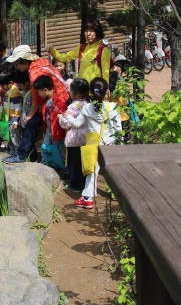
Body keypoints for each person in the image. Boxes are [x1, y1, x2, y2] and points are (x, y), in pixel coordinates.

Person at [60, 77, 122, 209]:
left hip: (94, 144)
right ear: (107, 92)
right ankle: (115, 193)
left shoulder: (88, 108)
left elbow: (77, 123)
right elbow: (118, 129)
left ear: (91, 92)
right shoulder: (113, 107)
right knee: (111, 170)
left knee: (92, 170)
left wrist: (68, 116)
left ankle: (87, 198)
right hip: (111, 143)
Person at [3, 45, 69, 164]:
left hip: (57, 103)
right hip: (59, 99)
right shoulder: (41, 61)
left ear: (24, 62)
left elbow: (37, 98)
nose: (16, 67)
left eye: (17, 64)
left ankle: (22, 155)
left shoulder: (34, 73)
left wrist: (30, 115)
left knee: (33, 125)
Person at [59, 78, 90, 192]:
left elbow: (66, 124)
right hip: (86, 138)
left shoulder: (73, 106)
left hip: (75, 139)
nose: (69, 92)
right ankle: (84, 184)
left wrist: (61, 118)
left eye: (70, 90)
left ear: (77, 94)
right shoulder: (88, 103)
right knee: (84, 163)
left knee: (74, 164)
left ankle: (76, 185)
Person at [34, 75, 68, 168]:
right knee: (45, 149)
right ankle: (44, 166)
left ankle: (66, 171)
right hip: (49, 131)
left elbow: (64, 117)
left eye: (39, 92)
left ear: (45, 90)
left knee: (62, 151)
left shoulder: (59, 102)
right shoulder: (46, 101)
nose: (38, 94)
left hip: (58, 133)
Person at [0, 71, 23, 155]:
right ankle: (11, 152)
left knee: (14, 137)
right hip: (9, 117)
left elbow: (18, 107)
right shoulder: (8, 91)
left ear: (10, 82)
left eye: (3, 85)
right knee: (10, 136)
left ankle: (18, 153)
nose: (2, 87)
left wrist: (16, 120)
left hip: (14, 119)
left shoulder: (14, 92)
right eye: (1, 85)